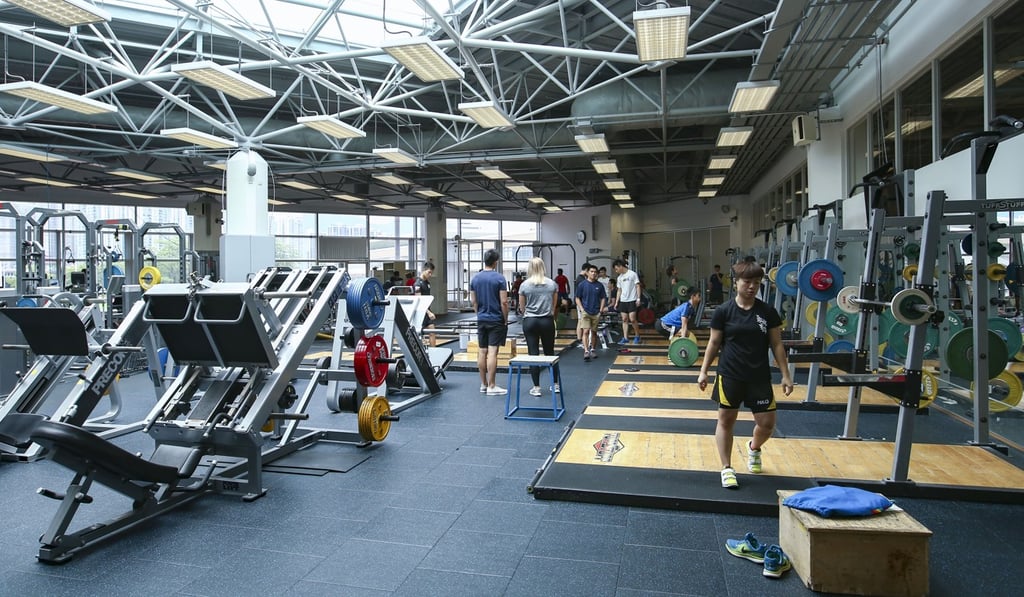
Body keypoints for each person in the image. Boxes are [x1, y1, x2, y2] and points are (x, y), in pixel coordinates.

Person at [697, 260, 794, 490]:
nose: (752, 286)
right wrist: (703, 371)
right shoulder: (723, 311)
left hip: (758, 376)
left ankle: (754, 448)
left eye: (757, 283)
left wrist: (786, 375)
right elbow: (714, 342)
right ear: (736, 282)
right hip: (730, 374)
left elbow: (777, 344)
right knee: (726, 421)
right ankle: (727, 467)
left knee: (767, 424)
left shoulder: (767, 312)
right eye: (747, 282)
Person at [517, 257, 561, 396]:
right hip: (547, 321)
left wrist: (529, 313)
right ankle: (555, 385)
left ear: (530, 268)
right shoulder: (552, 284)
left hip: (530, 321)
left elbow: (522, 308)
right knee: (550, 353)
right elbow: (554, 305)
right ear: (543, 267)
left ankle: (536, 388)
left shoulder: (524, 285)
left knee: (533, 354)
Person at [470, 249, 509, 395]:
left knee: (482, 351)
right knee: (492, 352)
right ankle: (492, 386)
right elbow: (504, 302)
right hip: (495, 319)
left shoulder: (475, 279)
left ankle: (483, 384)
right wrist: (505, 318)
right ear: (495, 262)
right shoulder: (499, 278)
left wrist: (478, 314)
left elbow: (474, 301)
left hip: (482, 319)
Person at [575, 263, 606, 361]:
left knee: (594, 332)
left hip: (596, 312)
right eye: (591, 271)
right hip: (586, 312)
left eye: (595, 272)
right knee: (586, 331)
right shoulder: (582, 285)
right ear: (587, 273)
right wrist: (581, 309)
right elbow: (577, 298)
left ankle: (593, 349)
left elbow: (603, 298)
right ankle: (586, 351)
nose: (593, 273)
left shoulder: (599, 285)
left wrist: (601, 310)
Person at [613, 258, 642, 344]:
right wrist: (617, 302)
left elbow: (637, 286)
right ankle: (625, 337)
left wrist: (638, 298)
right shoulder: (619, 278)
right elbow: (619, 290)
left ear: (620, 266)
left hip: (632, 300)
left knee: (632, 319)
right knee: (624, 319)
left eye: (616, 269)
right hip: (623, 301)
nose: (616, 271)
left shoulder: (632, 274)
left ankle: (637, 336)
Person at [412, 261, 437, 347]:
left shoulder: (427, 283)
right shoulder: (417, 284)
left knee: (432, 332)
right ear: (424, 270)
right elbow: (420, 301)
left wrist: (429, 312)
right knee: (419, 336)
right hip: (420, 313)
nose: (430, 275)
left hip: (427, 312)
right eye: (429, 272)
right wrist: (429, 312)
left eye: (431, 273)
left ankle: (433, 351)